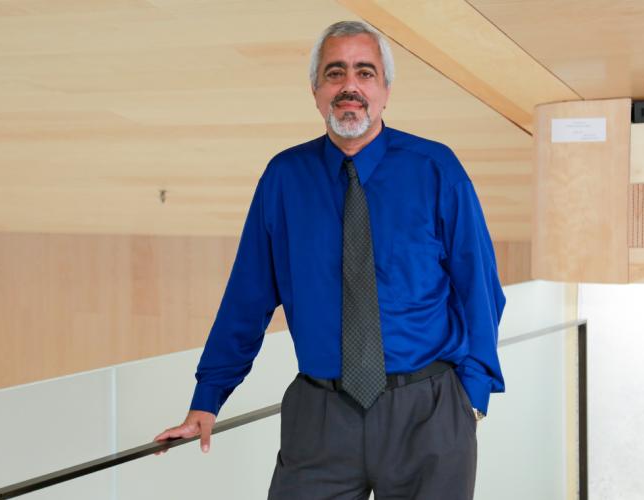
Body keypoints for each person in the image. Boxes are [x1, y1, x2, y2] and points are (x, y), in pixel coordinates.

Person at [154, 20, 505, 500]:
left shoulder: (435, 168)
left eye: (365, 72)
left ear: (385, 90)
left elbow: (479, 285)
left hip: (428, 414)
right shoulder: (284, 177)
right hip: (320, 416)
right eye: (335, 73)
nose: (350, 86)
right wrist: (207, 399)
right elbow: (247, 298)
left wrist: (473, 399)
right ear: (316, 91)